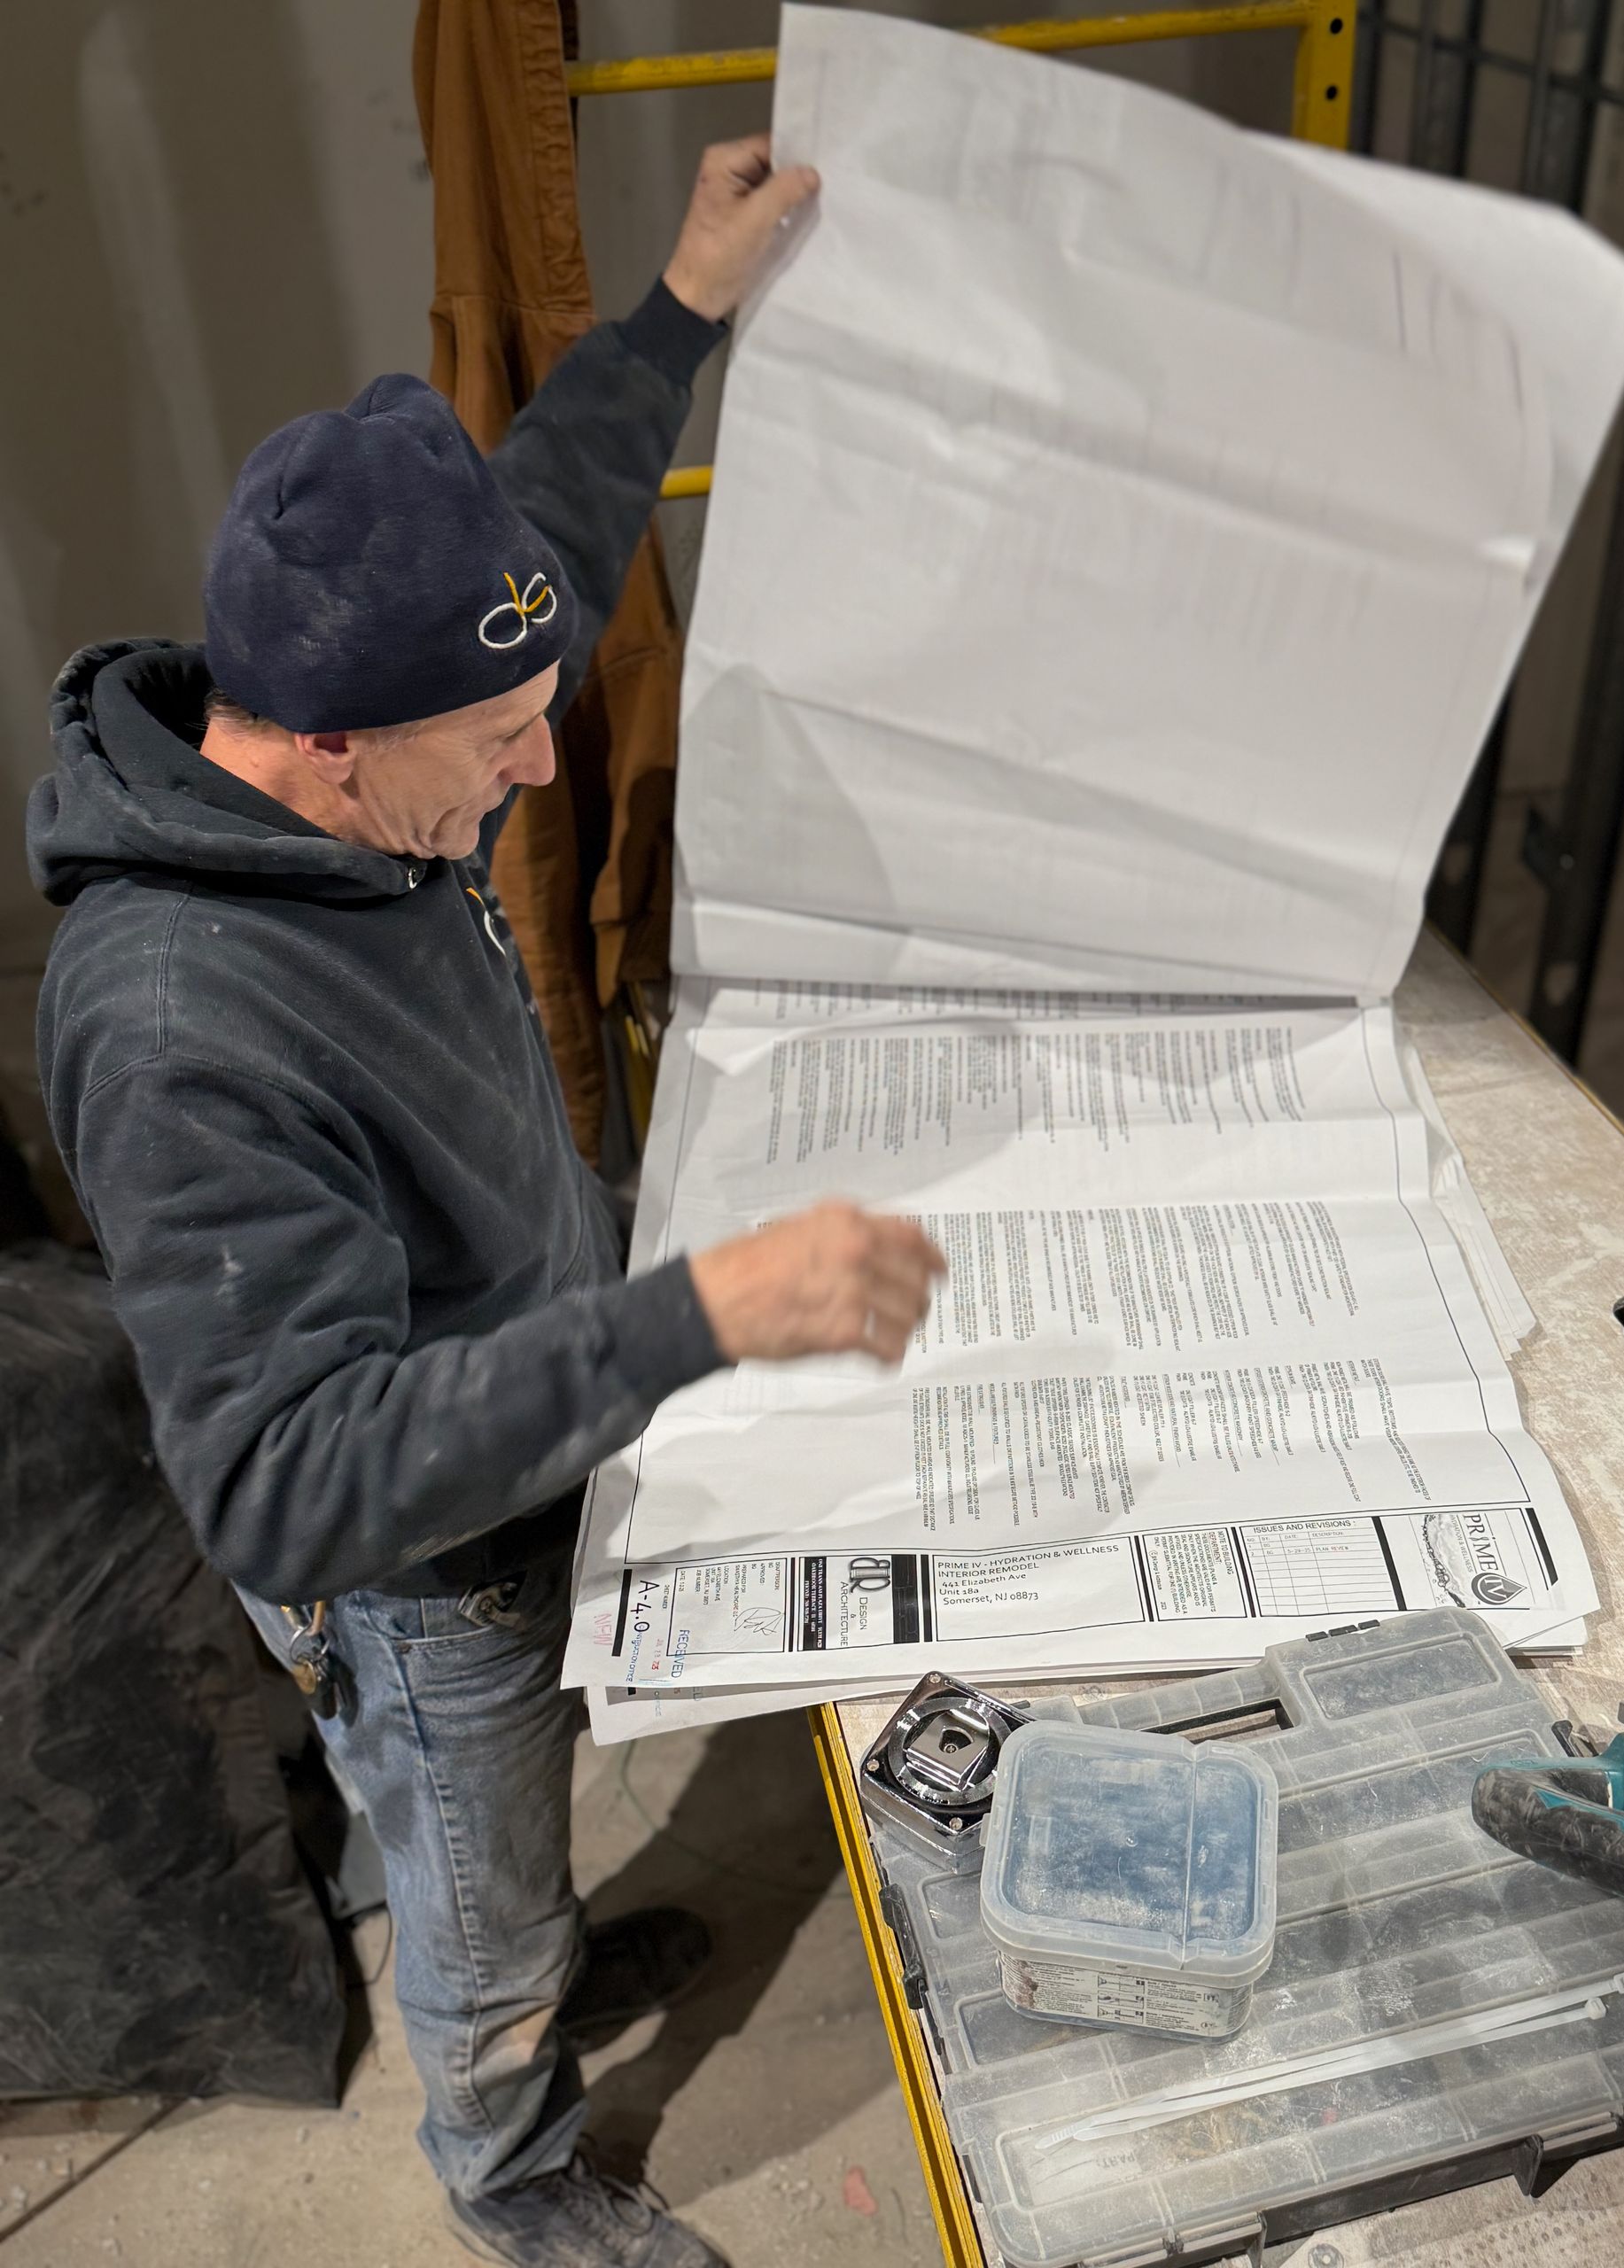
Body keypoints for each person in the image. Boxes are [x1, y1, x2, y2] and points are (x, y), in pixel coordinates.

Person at [27, 137, 945, 2268]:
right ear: (331, 752)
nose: (542, 771)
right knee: (477, 1858)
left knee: (490, 1825)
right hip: (427, 1562)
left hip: (516, 1386)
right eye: (504, 739)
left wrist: (686, 297)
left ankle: (499, 1916)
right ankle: (512, 2160)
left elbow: (554, 517)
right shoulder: (182, 1028)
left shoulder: (378, 694)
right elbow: (282, 1476)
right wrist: (691, 1312)